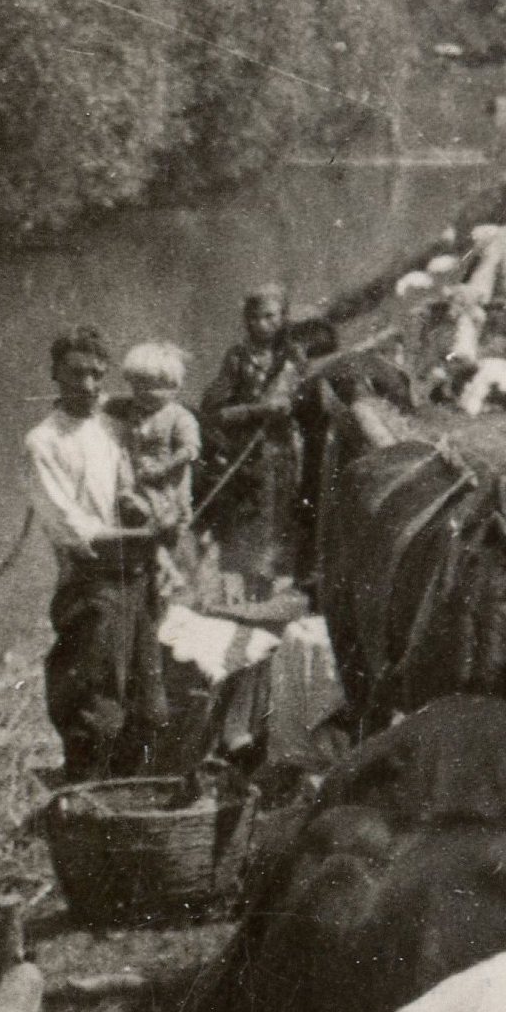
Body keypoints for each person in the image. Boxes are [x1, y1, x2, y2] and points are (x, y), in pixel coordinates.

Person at [25, 326, 158, 781]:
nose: (88, 386)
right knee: (94, 698)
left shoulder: (111, 427)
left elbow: (125, 485)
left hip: (134, 575)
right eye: (76, 374)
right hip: (89, 580)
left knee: (146, 697)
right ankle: (85, 789)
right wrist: (138, 536)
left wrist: (138, 505)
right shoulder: (43, 442)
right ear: (55, 375)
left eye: (97, 375)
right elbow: (67, 524)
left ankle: (128, 788)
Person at [199, 286, 309, 579]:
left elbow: (307, 401)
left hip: (287, 452)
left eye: (270, 316)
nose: (262, 324)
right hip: (248, 455)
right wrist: (258, 410)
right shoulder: (237, 358)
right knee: (247, 525)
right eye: (254, 317)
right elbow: (214, 412)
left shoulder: (294, 357)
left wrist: (291, 406)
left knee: (286, 519)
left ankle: (281, 583)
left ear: (283, 318)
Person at [114, 341, 202, 574]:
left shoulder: (178, 416)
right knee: (136, 524)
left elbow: (190, 449)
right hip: (137, 482)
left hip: (167, 485)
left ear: (174, 387)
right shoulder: (132, 408)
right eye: (138, 385)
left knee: (167, 527)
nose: (146, 394)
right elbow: (106, 404)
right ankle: (149, 570)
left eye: (156, 387)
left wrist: (165, 467)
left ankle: (171, 574)